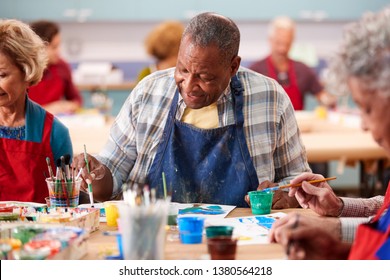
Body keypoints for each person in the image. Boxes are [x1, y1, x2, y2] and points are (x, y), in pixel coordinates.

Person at [73, 12, 311, 207]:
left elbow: (299, 181)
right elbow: (111, 177)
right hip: (157, 231)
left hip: (240, 240)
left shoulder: (270, 98)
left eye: (204, 77)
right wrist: (96, 175)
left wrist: (287, 197)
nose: (188, 86)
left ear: (233, 66)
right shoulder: (148, 93)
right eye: (183, 70)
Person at [270, 8, 390, 260]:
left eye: (366, 109)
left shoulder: (301, 70)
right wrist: (339, 208)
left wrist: (335, 230)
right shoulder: (263, 67)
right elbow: (384, 214)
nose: (364, 126)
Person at [0, 19, 73, 203]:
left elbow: (66, 205)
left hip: (38, 230)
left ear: (27, 72)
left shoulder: (55, 133)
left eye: (2, 75)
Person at [249, 16, 336, 111]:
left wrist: (328, 100)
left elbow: (321, 95)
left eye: (287, 44)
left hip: (298, 124)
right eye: (279, 43)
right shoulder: (256, 71)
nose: (282, 49)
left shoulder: (303, 70)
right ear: (270, 40)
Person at [28, 20, 82, 115]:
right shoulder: (24, 70)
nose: (59, 51)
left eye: (59, 46)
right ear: (37, 48)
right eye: (54, 47)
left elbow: (76, 100)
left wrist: (69, 105)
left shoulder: (62, 66)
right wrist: (48, 109)